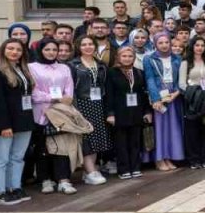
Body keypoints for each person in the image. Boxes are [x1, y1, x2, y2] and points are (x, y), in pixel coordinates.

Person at [0, 39, 34, 206]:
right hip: (4, 123)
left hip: (23, 120)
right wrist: (4, 125)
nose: (14, 52)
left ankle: (14, 187)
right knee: (1, 158)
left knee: (18, 157)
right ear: (3, 50)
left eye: (18, 49)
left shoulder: (22, 69)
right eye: (10, 48)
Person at [28, 40, 76, 194]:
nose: (51, 52)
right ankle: (45, 179)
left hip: (60, 113)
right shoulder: (32, 67)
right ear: (40, 50)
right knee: (42, 148)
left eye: (54, 49)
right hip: (40, 113)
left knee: (61, 146)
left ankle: (63, 180)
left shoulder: (64, 67)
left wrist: (65, 99)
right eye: (47, 49)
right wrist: (53, 98)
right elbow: (34, 93)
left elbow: (69, 89)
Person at [105, 47, 152, 179]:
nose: (127, 58)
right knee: (121, 143)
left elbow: (143, 94)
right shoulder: (112, 72)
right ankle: (124, 169)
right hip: (119, 112)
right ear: (118, 57)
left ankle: (135, 167)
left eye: (130, 56)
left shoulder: (139, 72)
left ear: (134, 57)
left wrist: (147, 111)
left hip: (136, 111)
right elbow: (109, 94)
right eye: (124, 56)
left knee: (135, 142)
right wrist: (110, 113)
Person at [68, 36, 110, 186]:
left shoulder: (101, 65)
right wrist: (74, 108)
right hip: (82, 104)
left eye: (90, 44)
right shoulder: (73, 65)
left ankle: (88, 171)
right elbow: (70, 88)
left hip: (98, 104)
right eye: (84, 44)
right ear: (78, 47)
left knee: (96, 138)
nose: (87, 47)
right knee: (86, 139)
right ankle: (91, 171)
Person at [143, 33, 185, 171]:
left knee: (173, 128)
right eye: (160, 43)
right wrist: (156, 99)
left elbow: (181, 78)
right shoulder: (149, 58)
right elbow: (149, 79)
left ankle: (169, 156)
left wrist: (177, 92)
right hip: (159, 95)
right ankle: (159, 159)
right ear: (155, 44)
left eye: (166, 42)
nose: (164, 45)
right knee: (159, 129)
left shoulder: (177, 58)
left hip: (173, 96)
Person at [180, 37, 205, 169]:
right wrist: (193, 94)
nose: (200, 48)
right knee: (192, 131)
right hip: (192, 100)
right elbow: (182, 84)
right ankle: (194, 159)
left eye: (202, 45)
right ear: (192, 47)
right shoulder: (186, 63)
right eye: (197, 45)